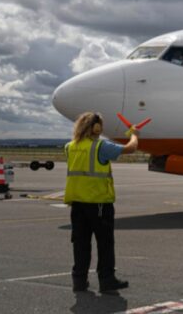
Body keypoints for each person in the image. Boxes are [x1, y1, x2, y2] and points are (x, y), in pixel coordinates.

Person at [64, 112, 138, 293]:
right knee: (105, 244)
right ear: (97, 128)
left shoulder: (70, 147)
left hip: (77, 204)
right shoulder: (100, 147)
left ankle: (79, 281)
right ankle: (107, 280)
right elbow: (130, 149)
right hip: (98, 204)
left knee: (80, 244)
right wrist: (134, 134)